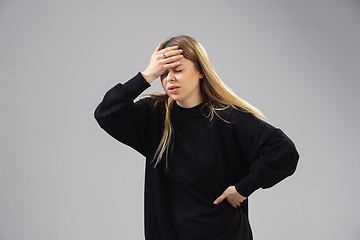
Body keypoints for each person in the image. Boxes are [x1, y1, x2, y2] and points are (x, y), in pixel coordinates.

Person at [94, 35, 299, 240]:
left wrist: (243, 188)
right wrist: (147, 75)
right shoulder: (153, 115)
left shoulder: (227, 117)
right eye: (163, 73)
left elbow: (283, 151)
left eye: (178, 70)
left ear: (200, 71)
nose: (169, 79)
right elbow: (106, 113)